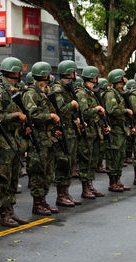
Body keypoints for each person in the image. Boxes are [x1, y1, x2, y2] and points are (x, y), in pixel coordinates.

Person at [0, 57, 30, 227]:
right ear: (14, 71)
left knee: (14, 177)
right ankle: (3, 213)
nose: (21, 73)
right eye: (19, 70)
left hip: (16, 138)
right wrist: (14, 116)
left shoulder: (16, 88)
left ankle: (11, 211)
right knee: (4, 178)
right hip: (4, 140)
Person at [22, 61, 60, 215]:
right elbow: (32, 115)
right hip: (37, 138)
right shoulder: (31, 93)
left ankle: (43, 200)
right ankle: (37, 203)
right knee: (38, 171)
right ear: (44, 75)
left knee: (47, 171)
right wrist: (50, 116)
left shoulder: (43, 92)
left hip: (47, 138)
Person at [52, 60, 81, 207]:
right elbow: (60, 109)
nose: (76, 74)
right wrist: (72, 105)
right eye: (74, 71)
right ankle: (60, 195)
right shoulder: (58, 89)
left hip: (70, 128)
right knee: (63, 161)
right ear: (70, 72)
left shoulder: (68, 87)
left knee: (70, 161)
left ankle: (65, 193)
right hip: (63, 129)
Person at [76, 66, 108, 198]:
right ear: (93, 78)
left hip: (94, 131)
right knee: (85, 160)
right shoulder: (82, 93)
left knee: (93, 159)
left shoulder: (91, 92)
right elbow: (84, 113)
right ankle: (85, 188)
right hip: (86, 132)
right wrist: (96, 109)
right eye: (97, 77)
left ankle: (90, 185)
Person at [103, 69, 132, 191]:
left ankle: (118, 180)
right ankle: (112, 182)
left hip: (121, 130)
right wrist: (125, 111)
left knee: (120, 156)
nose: (124, 80)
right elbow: (112, 110)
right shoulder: (111, 94)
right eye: (122, 78)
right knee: (113, 156)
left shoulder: (120, 93)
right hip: (114, 131)